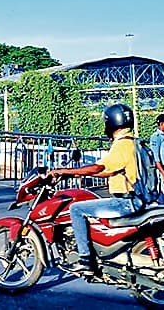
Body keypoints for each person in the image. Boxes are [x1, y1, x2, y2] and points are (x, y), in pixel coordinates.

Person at [48, 103, 141, 271]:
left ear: (112, 122)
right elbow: (110, 171)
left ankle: (85, 259)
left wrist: (62, 170)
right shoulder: (133, 142)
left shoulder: (121, 145)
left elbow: (99, 168)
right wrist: (76, 173)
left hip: (126, 202)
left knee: (76, 209)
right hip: (137, 198)